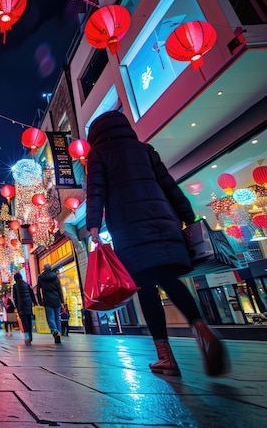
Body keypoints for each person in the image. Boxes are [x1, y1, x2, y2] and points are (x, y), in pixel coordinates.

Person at [85, 109, 228, 377]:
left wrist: (93, 224)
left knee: (147, 290)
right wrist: (187, 216)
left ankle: (166, 356)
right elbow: (169, 185)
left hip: (130, 231)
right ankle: (203, 330)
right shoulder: (144, 149)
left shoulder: (99, 154)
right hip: (165, 224)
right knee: (170, 280)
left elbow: (96, 191)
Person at [36, 264, 64, 345]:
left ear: (43, 269)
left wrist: (40, 301)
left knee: (50, 317)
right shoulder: (55, 276)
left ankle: (54, 331)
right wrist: (62, 301)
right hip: (56, 299)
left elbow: (38, 290)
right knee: (57, 318)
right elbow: (59, 289)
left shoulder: (41, 277)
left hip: (47, 300)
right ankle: (58, 332)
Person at [12, 273, 36, 345]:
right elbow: (32, 295)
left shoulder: (15, 286)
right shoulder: (27, 285)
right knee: (29, 322)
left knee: (24, 323)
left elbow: (15, 298)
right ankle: (30, 337)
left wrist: (17, 306)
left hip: (21, 307)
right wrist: (34, 303)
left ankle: (27, 338)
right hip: (28, 306)